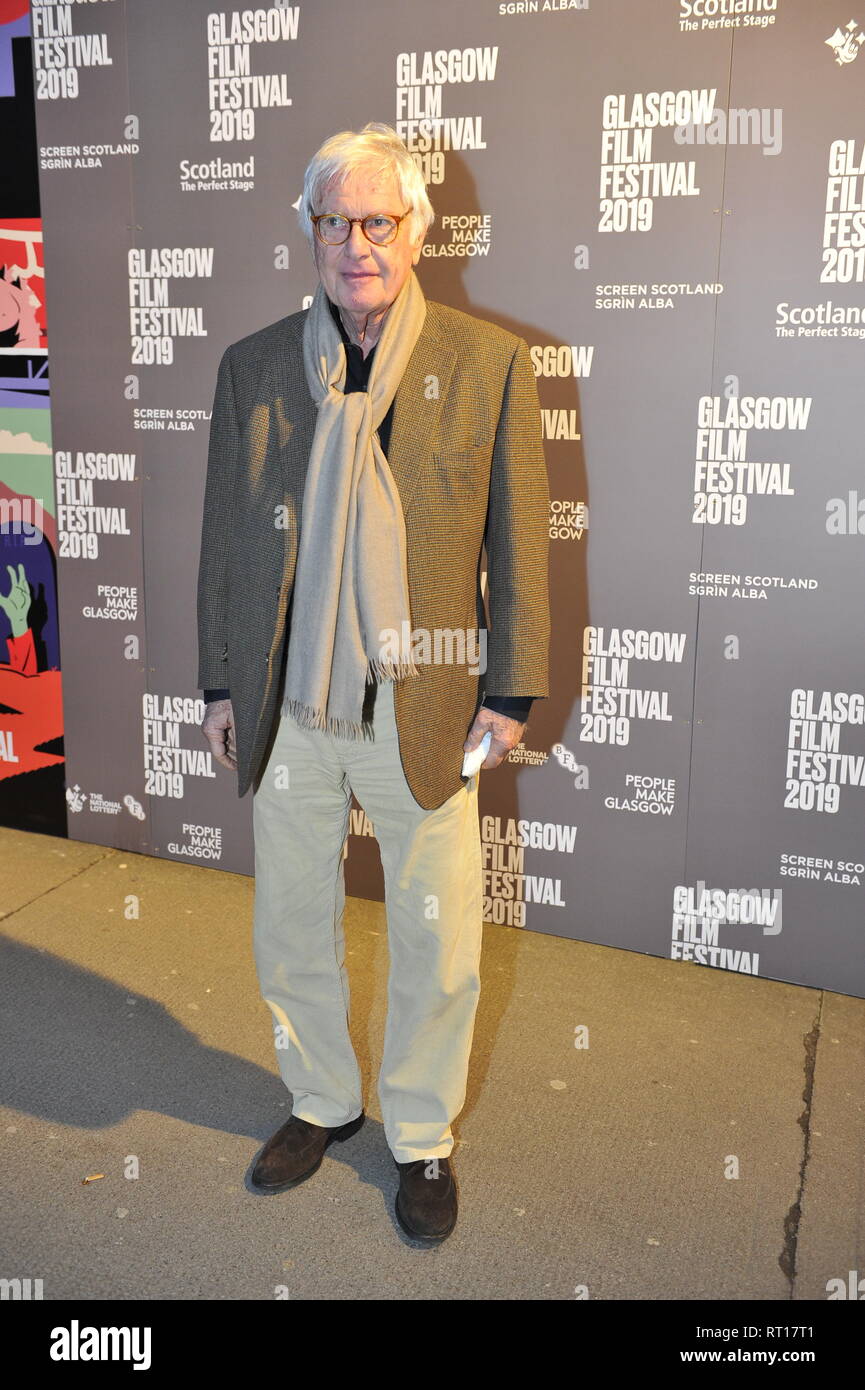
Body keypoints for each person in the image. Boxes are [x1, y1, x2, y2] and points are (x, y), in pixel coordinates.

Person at [196, 123, 550, 1243]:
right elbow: (225, 542)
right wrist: (218, 684)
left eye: (378, 221)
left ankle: (421, 1132)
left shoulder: (488, 364)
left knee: (433, 934)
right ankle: (321, 1100)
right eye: (334, 221)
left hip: (424, 697)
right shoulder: (254, 366)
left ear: (417, 232)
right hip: (291, 694)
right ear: (310, 232)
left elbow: (517, 542)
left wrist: (511, 694)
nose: (356, 243)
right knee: (291, 919)